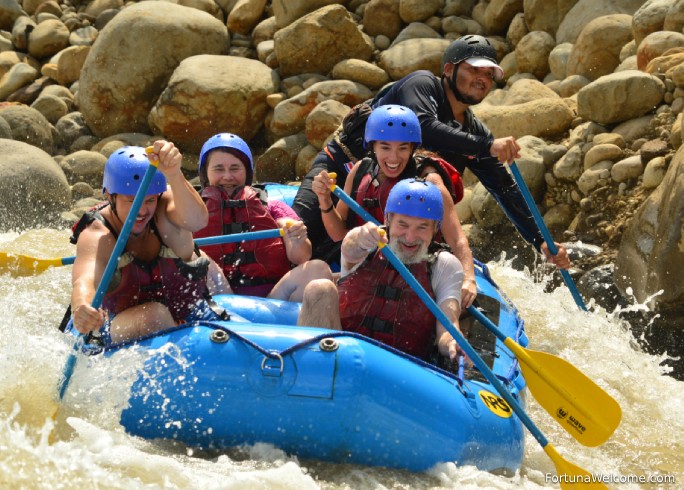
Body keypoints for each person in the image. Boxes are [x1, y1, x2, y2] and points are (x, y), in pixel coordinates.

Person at [293, 34, 570, 272]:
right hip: (341, 168)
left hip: (381, 195)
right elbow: (424, 125)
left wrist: (540, 239)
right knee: (298, 235)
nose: (482, 79)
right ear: (449, 69)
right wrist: (486, 146)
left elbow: (504, 188)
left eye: (489, 74)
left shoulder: (474, 131)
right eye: (474, 70)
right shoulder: (422, 85)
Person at [312, 104, 477, 307]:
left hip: (414, 269)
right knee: (313, 274)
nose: (393, 157)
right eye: (385, 147)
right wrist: (325, 200)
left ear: (412, 149)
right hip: (364, 264)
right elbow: (339, 234)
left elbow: (457, 238)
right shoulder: (359, 172)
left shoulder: (430, 184)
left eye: (402, 148)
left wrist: (468, 278)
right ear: (372, 146)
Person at [298, 178, 466, 362]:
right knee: (319, 289)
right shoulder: (367, 241)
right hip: (342, 357)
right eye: (403, 224)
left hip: (398, 371)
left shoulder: (444, 265)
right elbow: (353, 245)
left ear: (435, 229)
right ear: (388, 220)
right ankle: (308, 372)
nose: (410, 237)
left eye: (422, 227)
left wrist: (452, 342)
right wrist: (362, 238)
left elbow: (447, 327)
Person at [70, 142, 220, 344]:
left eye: (149, 201)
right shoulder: (98, 234)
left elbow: (198, 221)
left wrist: (174, 174)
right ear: (109, 196)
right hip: (119, 325)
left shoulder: (165, 206)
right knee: (155, 315)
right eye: (131, 201)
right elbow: (85, 280)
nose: (141, 211)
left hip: (189, 313)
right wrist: (82, 306)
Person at [194, 133, 333, 302]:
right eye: (219, 169)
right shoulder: (194, 212)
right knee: (197, 257)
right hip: (219, 298)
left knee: (317, 269)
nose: (228, 176)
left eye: (235, 168)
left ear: (247, 173)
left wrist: (296, 239)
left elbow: (301, 257)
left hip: (272, 300)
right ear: (205, 174)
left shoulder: (272, 207)